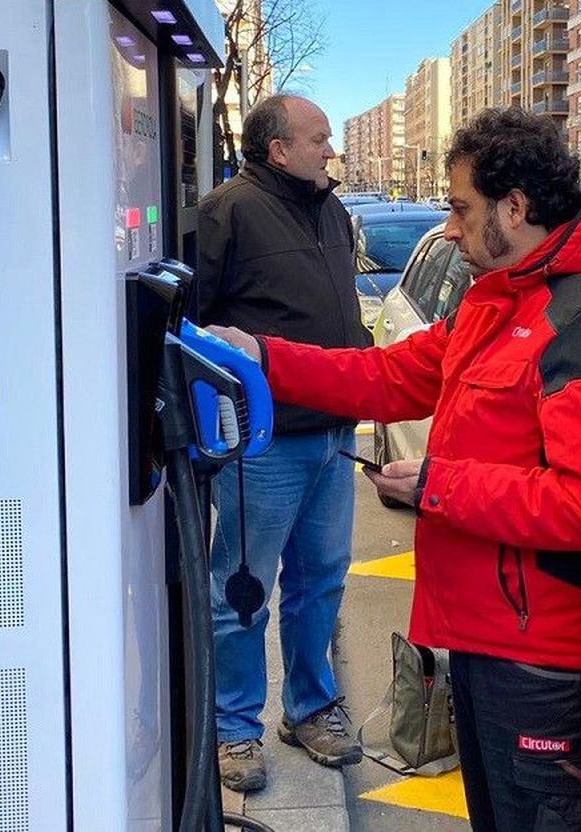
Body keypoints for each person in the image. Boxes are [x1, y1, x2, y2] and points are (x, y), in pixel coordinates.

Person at [212, 107, 581, 832]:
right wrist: (262, 357)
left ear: (515, 208)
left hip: (551, 666)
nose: (448, 228)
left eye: (459, 208)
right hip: (489, 642)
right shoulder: (494, 301)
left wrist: (441, 484)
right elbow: (387, 377)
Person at [195, 94, 371, 792]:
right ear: (279, 149)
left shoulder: (328, 207)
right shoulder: (228, 211)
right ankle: (233, 729)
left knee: (321, 582)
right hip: (263, 445)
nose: (330, 149)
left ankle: (310, 708)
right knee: (241, 591)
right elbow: (197, 326)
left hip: (332, 433)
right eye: (319, 138)